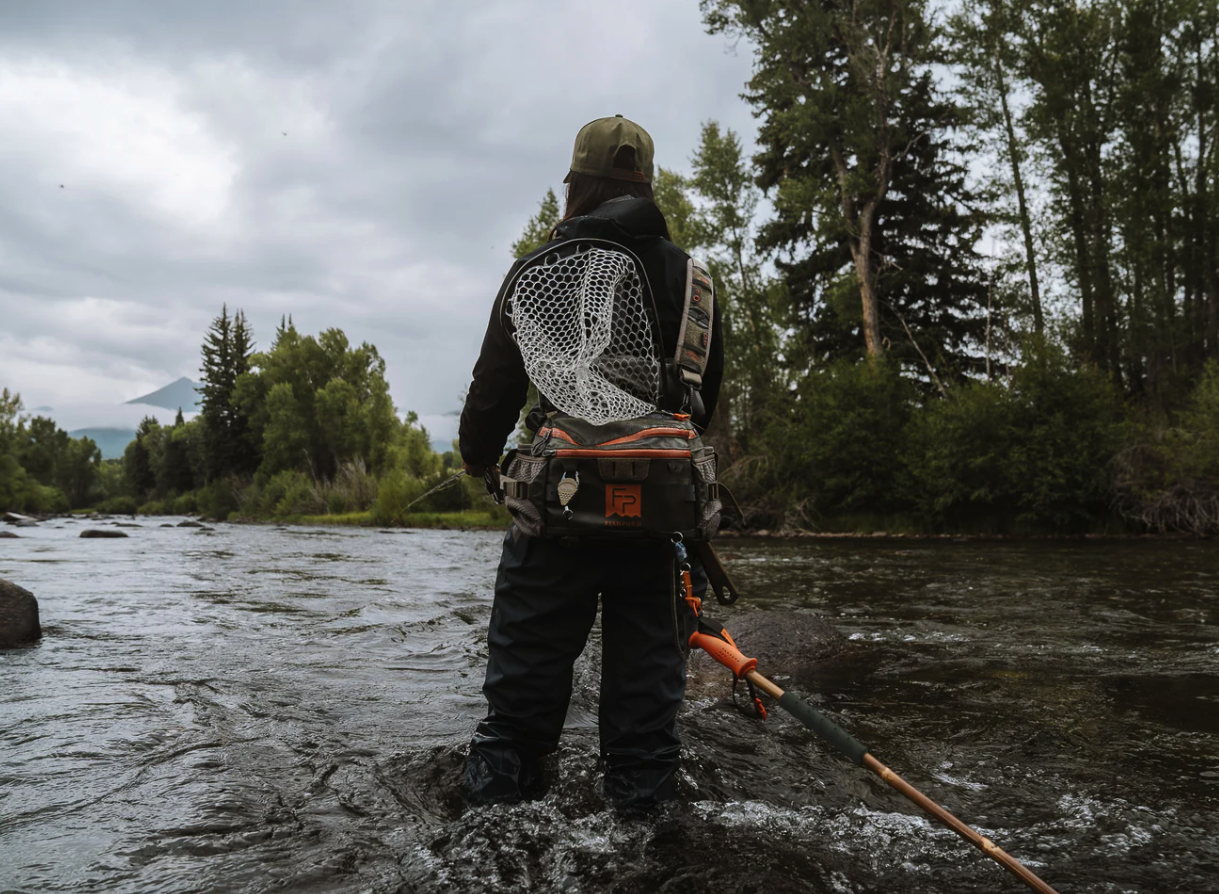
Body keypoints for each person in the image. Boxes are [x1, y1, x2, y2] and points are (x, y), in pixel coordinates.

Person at [458, 115, 724, 810]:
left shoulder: (535, 272)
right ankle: (645, 842)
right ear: (647, 183)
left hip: (557, 514)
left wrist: (481, 463)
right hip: (659, 525)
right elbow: (701, 405)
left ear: (574, 184)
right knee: (644, 742)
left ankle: (490, 838)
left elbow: (493, 391)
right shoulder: (694, 281)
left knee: (514, 727)